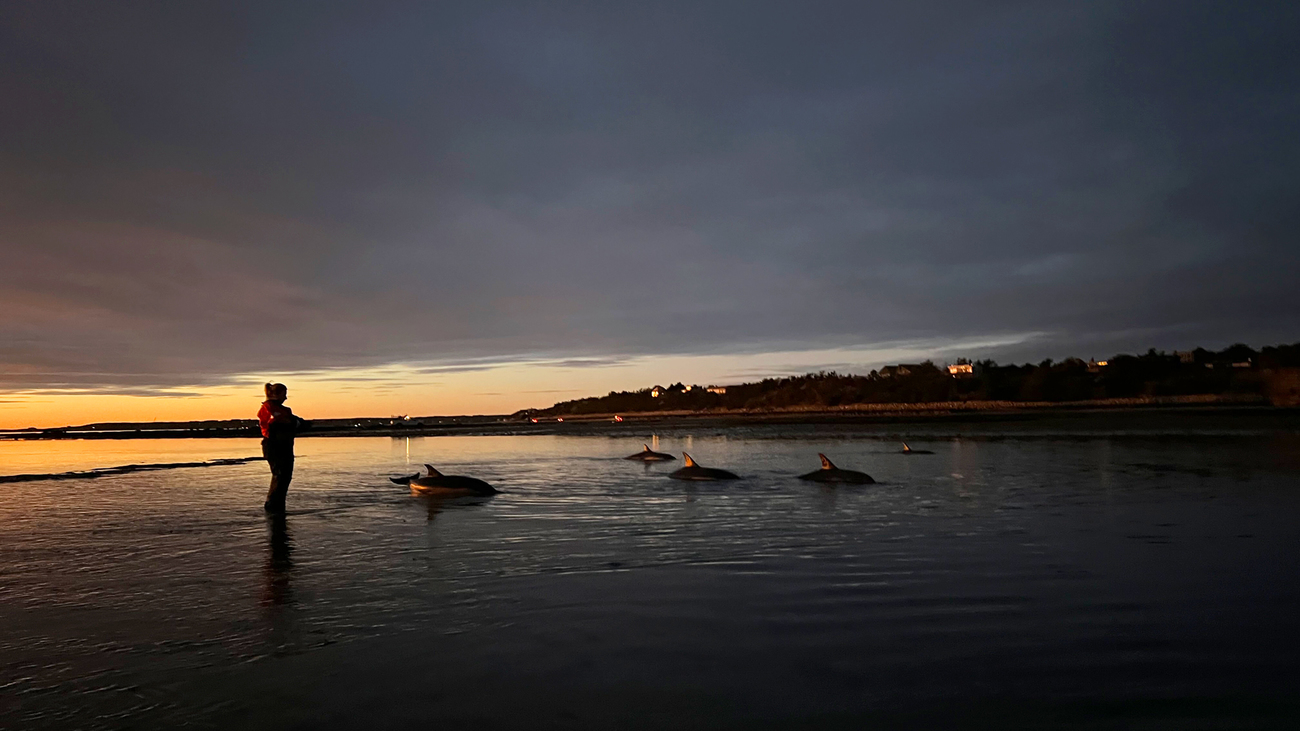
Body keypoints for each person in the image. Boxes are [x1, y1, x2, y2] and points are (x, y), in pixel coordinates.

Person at [258, 383, 308, 513]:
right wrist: (295, 423)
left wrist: (296, 422)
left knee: (284, 477)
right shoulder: (269, 408)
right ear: (277, 394)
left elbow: (291, 421)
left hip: (283, 445)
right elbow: (282, 421)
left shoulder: (282, 410)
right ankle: (273, 508)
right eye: (284, 394)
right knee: (280, 476)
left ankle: (277, 508)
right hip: (275, 446)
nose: (285, 398)